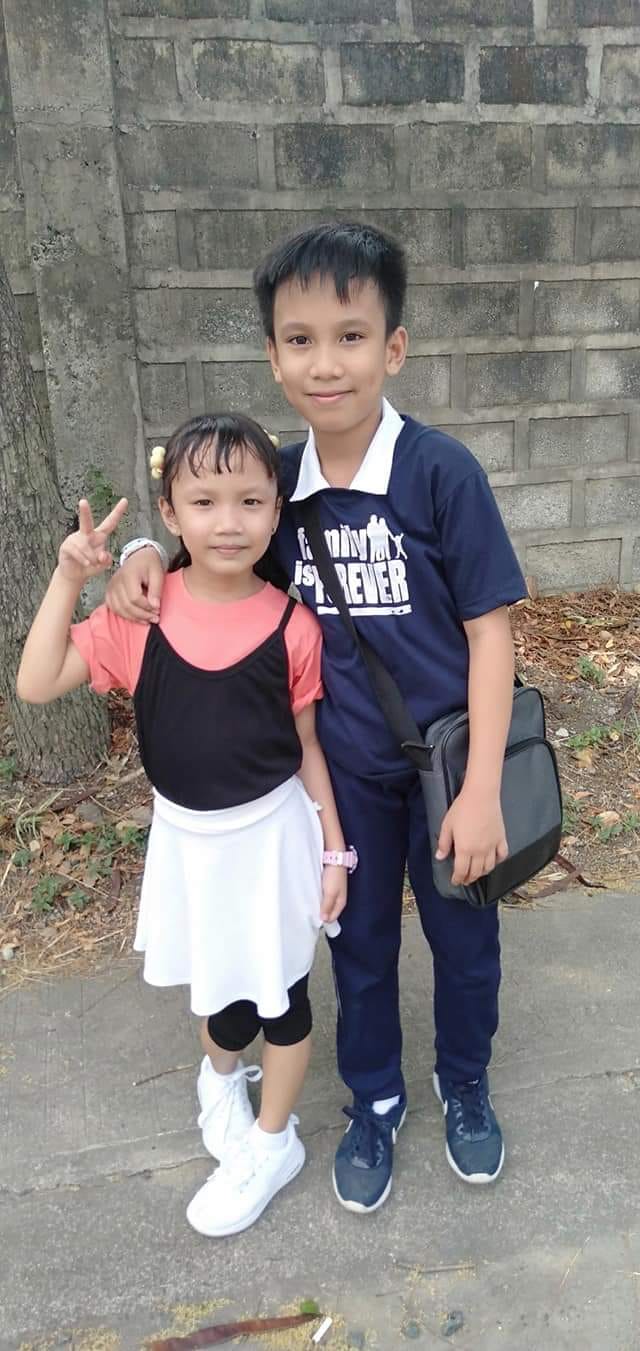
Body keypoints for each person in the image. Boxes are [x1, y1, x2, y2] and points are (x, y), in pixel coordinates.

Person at [107, 222, 528, 1215]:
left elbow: (491, 633)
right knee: (358, 944)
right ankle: (372, 1100)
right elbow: (199, 536)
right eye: (299, 339)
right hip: (340, 779)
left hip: (445, 768)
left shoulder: (440, 473)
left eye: (349, 336)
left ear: (393, 347)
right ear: (272, 355)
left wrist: (476, 793)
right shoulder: (275, 486)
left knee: (467, 944)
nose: (323, 361)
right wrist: (136, 552)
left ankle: (461, 1080)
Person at [17, 412, 352, 1237]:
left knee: (283, 997)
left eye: (249, 501)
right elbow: (34, 683)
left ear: (277, 512)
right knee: (219, 993)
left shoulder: (291, 624)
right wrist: (71, 578)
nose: (228, 521)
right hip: (191, 846)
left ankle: (274, 1143)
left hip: (274, 837)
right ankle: (221, 1078)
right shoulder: (142, 618)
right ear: (171, 513)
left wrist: (334, 849)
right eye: (204, 501)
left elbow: (307, 746)